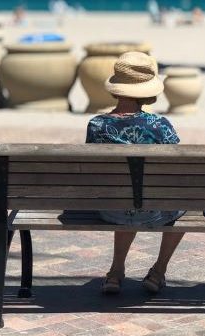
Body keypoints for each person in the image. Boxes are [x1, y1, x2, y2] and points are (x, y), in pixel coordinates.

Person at [85, 52, 186, 295]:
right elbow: (177, 166)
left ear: (116, 89)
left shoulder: (96, 125)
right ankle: (159, 270)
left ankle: (116, 271)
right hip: (153, 211)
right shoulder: (160, 126)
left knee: (126, 193)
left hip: (110, 210)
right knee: (186, 201)